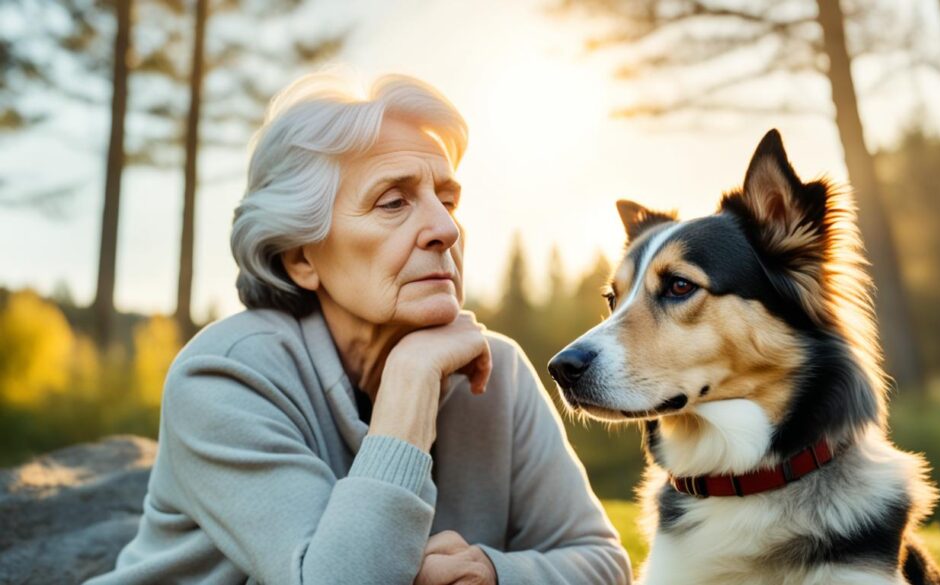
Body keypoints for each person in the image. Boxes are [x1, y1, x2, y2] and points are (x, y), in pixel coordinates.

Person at [86, 70, 631, 585]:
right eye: (394, 202)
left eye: (447, 200)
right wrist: (412, 376)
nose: (445, 228)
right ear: (302, 258)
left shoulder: (499, 371)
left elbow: (605, 562)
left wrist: (488, 575)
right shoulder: (223, 379)